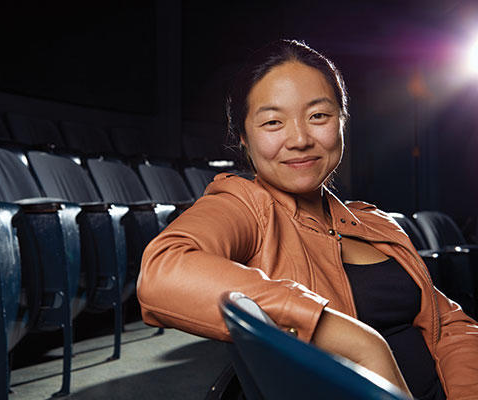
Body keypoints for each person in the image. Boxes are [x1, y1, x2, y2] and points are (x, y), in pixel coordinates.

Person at [137, 39, 478, 400]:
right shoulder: (246, 204)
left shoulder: (375, 221)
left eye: (318, 116)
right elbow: (163, 271)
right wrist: (347, 335)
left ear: (342, 123)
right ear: (243, 139)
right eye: (273, 122)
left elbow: (449, 328)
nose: (299, 139)